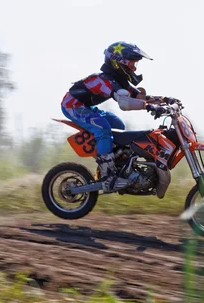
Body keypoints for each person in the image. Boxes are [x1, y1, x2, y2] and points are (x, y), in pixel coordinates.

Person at [60, 41, 158, 193]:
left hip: (87, 107)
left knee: (118, 126)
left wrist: (165, 100)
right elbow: (124, 103)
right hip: (72, 105)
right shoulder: (103, 80)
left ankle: (118, 163)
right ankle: (107, 176)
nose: (134, 68)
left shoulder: (118, 80)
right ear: (119, 62)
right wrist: (149, 106)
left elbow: (139, 96)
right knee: (103, 128)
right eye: (132, 63)